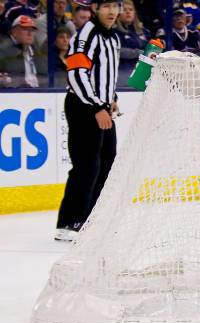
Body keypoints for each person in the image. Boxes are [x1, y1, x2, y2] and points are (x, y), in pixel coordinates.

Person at [55, 0, 122, 241]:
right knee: (86, 166)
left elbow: (107, 73)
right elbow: (76, 73)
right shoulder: (86, 34)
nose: (112, 12)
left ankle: (91, 218)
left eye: (116, 6)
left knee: (106, 161)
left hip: (100, 106)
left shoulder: (113, 37)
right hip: (84, 106)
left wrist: (111, 98)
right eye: (106, 6)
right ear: (95, 8)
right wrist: (96, 106)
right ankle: (69, 222)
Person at [0, 14, 45, 88]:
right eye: (25, 29)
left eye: (32, 30)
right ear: (14, 32)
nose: (30, 33)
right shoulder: (4, 51)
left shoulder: (35, 50)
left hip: (38, 93)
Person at [115, 0, 149, 84]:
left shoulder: (144, 31)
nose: (128, 12)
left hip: (142, 73)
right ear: (118, 13)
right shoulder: (114, 31)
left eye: (131, 9)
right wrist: (137, 53)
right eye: (124, 9)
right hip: (122, 73)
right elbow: (116, 51)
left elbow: (149, 49)